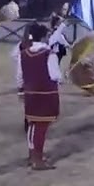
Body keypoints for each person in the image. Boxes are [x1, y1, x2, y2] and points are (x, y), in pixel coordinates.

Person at [16, 23, 61, 171]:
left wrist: (21, 90)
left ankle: (32, 155)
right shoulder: (49, 54)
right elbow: (54, 76)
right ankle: (38, 159)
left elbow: (20, 75)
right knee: (41, 127)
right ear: (43, 37)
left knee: (33, 125)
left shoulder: (23, 53)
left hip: (30, 93)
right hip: (46, 94)